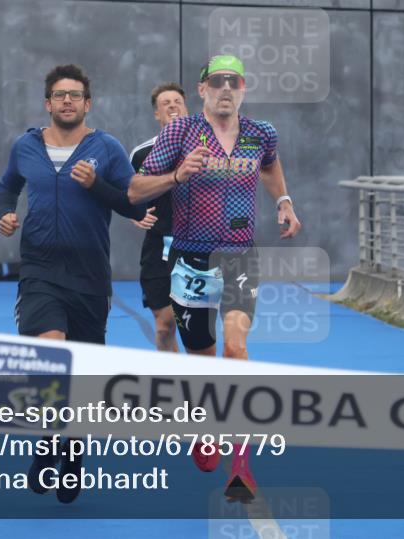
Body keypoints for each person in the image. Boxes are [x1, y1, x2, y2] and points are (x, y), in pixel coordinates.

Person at [127, 55, 302, 500]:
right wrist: (176, 174)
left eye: (234, 81)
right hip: (190, 260)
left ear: (243, 89)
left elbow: (270, 165)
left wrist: (283, 200)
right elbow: (135, 189)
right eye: (216, 81)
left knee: (237, 347)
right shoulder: (179, 133)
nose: (226, 88)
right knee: (202, 361)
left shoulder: (261, 134)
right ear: (202, 89)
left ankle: (240, 464)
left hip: (239, 257)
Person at [0, 63, 146, 504]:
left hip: (89, 275)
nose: (67, 101)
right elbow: (7, 187)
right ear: (48, 103)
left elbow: (130, 203)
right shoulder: (26, 145)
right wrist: (6, 213)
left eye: (75, 95)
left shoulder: (107, 148)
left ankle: (74, 453)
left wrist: (97, 183)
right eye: (59, 94)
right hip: (39, 269)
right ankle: (46, 446)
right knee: (51, 355)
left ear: (87, 103)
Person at [129, 82, 189, 352]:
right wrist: (135, 215)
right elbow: (130, 197)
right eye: (166, 103)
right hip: (158, 250)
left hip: (198, 248)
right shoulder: (141, 154)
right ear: (157, 114)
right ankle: (173, 385)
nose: (173, 106)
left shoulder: (209, 148)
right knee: (165, 325)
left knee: (195, 327)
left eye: (177, 101)